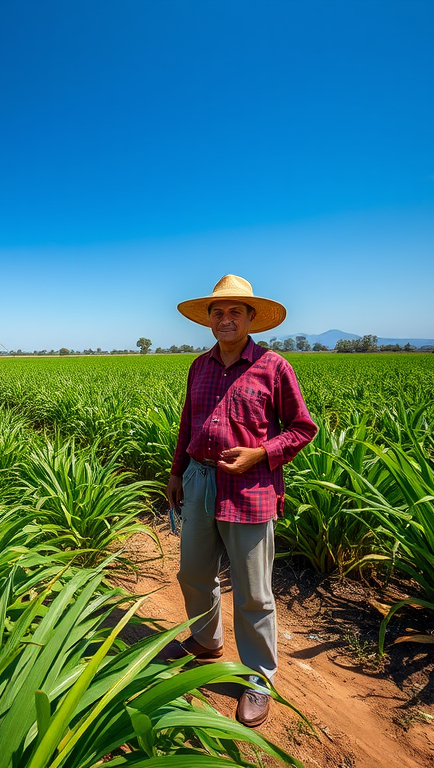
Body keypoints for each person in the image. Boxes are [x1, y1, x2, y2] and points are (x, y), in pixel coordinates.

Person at [165, 274, 317, 728]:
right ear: (209, 319)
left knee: (253, 592)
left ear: (251, 318)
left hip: (250, 489)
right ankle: (206, 641)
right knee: (194, 572)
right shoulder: (199, 366)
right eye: (218, 311)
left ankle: (258, 676)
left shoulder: (274, 367)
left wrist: (261, 454)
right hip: (198, 480)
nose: (225, 318)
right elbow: (187, 424)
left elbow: (302, 428)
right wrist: (176, 472)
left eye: (235, 311)